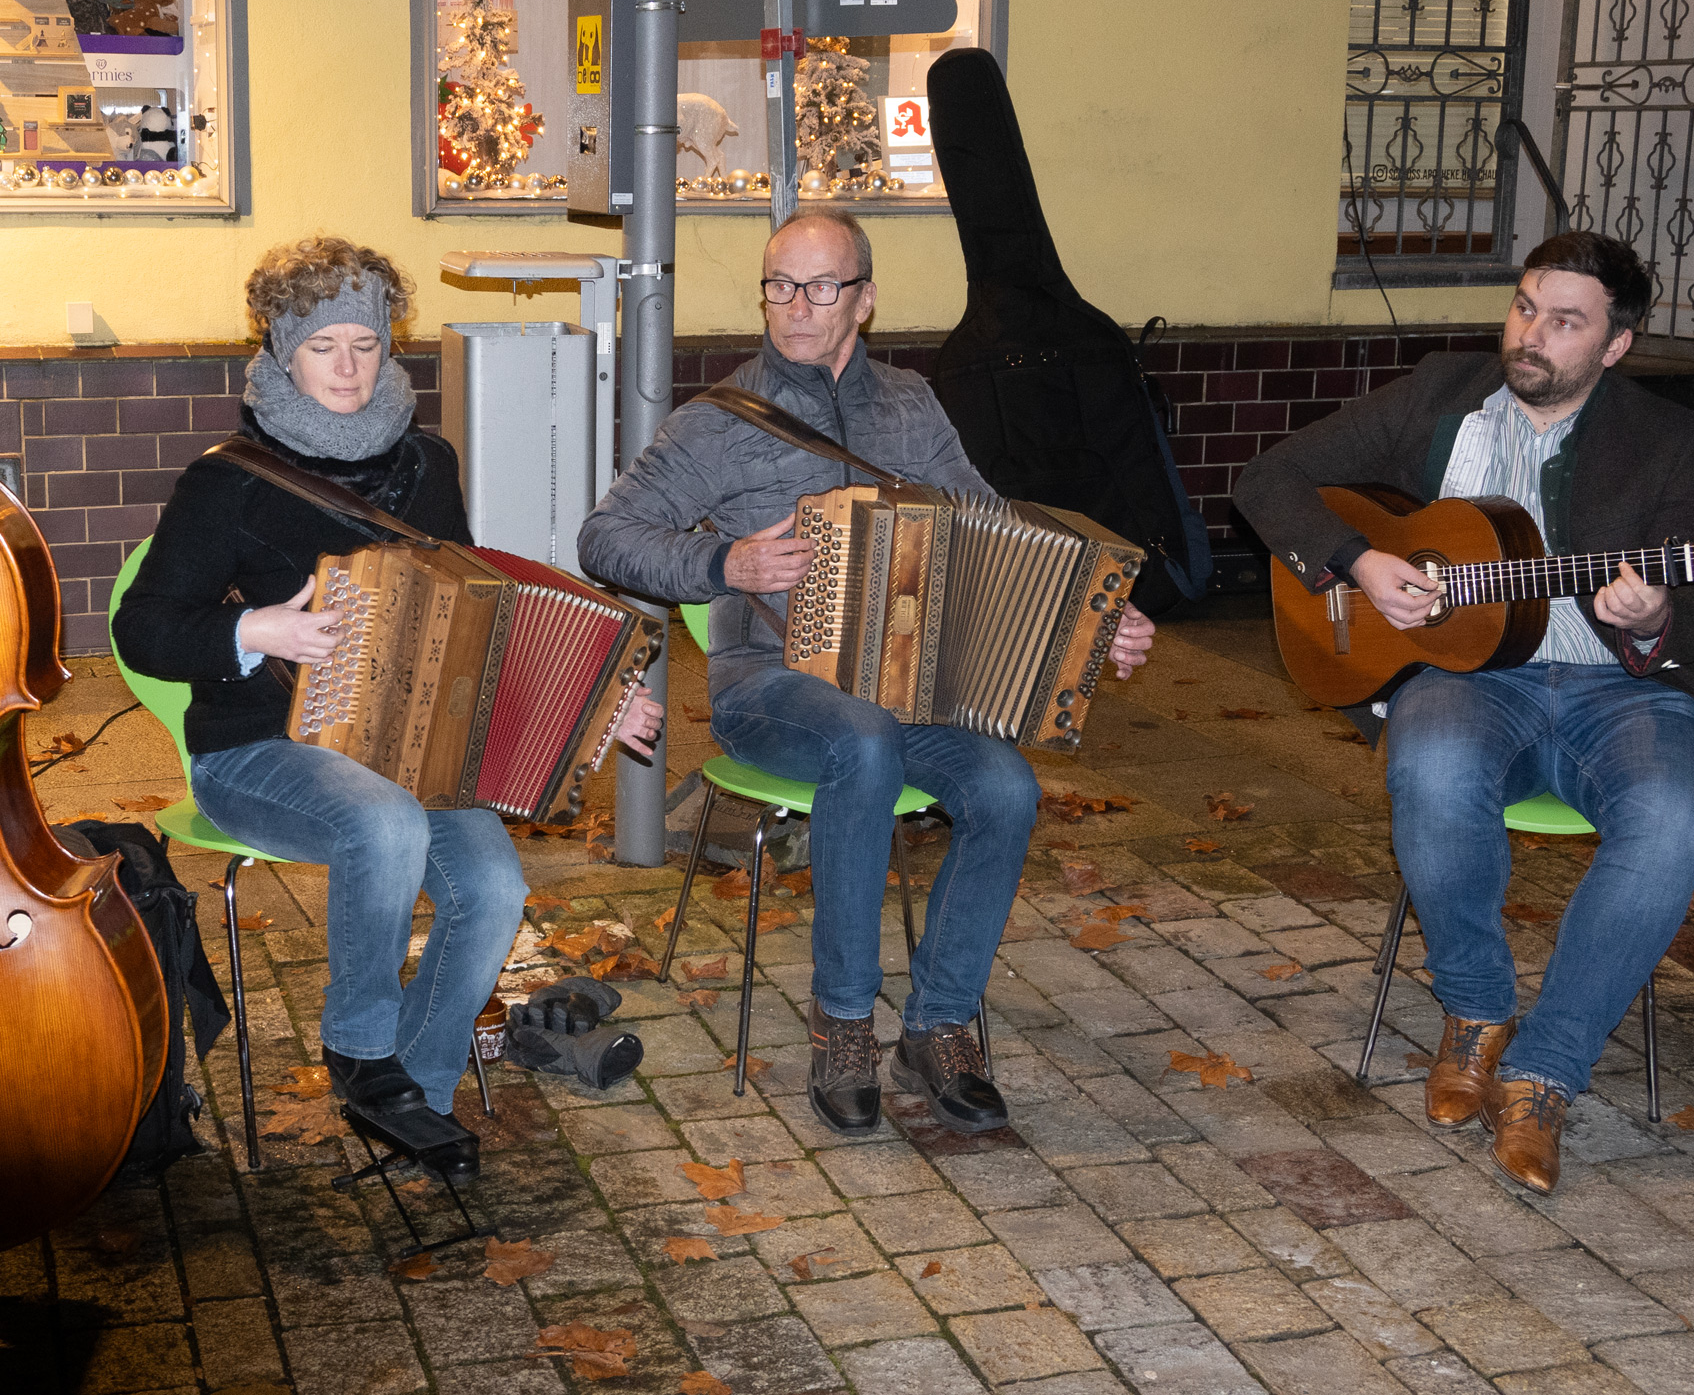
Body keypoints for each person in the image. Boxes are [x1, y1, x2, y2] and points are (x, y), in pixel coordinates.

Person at [579, 212, 1156, 1136]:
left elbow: (991, 524)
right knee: (862, 741)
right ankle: (843, 1022)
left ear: (867, 300)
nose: (795, 307)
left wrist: (1093, 618)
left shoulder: (910, 405)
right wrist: (724, 564)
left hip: (910, 684)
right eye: (778, 285)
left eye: (819, 287)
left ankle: (936, 1028)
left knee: (1005, 784)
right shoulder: (716, 423)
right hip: (768, 687)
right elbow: (603, 538)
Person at [113, 236, 660, 1182]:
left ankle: (421, 1097)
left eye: (365, 343)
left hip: (408, 750)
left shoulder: (425, 466)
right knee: (384, 822)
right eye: (324, 346)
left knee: (492, 886)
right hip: (253, 748)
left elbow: (475, 615)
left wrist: (595, 708)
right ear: (283, 353)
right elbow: (144, 630)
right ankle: (362, 1051)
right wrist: (257, 637)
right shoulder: (228, 479)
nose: (348, 367)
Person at [1234, 230, 1694, 1194]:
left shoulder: (1672, 440)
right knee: (1432, 768)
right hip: (1466, 679)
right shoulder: (1440, 392)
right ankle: (1475, 1009)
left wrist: (1655, 615)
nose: (1533, 334)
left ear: (1615, 345)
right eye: (1526, 306)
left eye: (1566, 321)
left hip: (1620, 691)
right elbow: (1268, 481)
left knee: (1674, 818)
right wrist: (1361, 563)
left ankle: (1545, 1071)